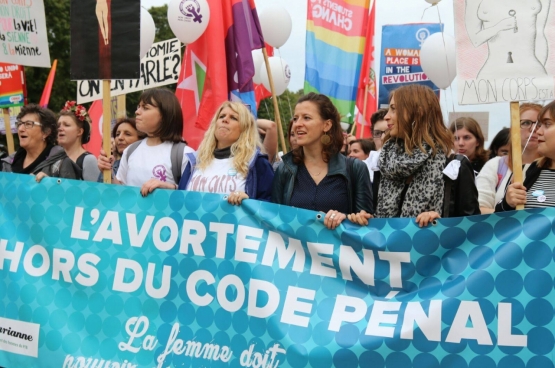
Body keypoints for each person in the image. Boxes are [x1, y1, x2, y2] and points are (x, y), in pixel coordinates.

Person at [349, 85, 479, 227]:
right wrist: (364, 218)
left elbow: (473, 229)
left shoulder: (454, 166)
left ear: (418, 113)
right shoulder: (384, 163)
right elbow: (377, 220)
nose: (387, 116)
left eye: (394, 109)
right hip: (390, 248)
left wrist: (440, 222)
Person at [271, 92, 373, 230]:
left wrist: (345, 218)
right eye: (295, 118)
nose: (297, 124)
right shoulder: (284, 169)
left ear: (326, 125)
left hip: (337, 250)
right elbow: (273, 220)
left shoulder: (355, 169)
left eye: (306, 118)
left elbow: (366, 223)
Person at [98, 88, 194, 196]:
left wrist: (170, 188)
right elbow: (121, 193)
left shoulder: (185, 154)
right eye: (138, 107)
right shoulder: (130, 150)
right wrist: (108, 172)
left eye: (145, 107)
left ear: (164, 114)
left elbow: (195, 198)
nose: (137, 112)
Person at [178, 101, 274, 204]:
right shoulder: (195, 161)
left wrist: (249, 201)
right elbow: (179, 200)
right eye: (221, 116)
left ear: (245, 129)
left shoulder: (257, 163)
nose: (225, 120)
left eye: (233, 118)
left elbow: (269, 207)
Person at [476, 103, 543, 213]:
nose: (533, 129)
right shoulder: (496, 165)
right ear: (513, 130)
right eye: (525, 123)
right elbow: (478, 210)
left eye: (540, 124)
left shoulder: (551, 167)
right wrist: (505, 205)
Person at [465, 0, 549, 79]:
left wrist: (539, 69)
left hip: (532, 68)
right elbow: (475, 40)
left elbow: (540, 34)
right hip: (493, 69)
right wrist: (499, 27)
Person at [496, 100, 555, 211]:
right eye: (540, 125)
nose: (538, 131)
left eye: (547, 124)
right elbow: (502, 225)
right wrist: (507, 204)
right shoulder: (526, 172)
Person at [34, 101, 100, 182]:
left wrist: (51, 184)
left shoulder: (88, 160)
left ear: (79, 132)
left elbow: (93, 193)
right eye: (59, 125)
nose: (60, 129)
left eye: (66, 125)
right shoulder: (53, 158)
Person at [1, 104, 58, 174]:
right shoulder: (7, 164)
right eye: (19, 124)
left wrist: (47, 183)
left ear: (46, 132)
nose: (20, 129)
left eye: (28, 124)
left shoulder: (60, 164)